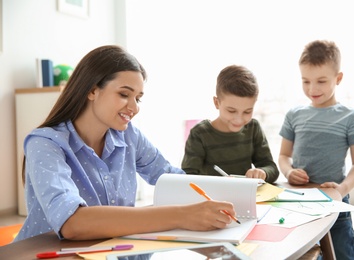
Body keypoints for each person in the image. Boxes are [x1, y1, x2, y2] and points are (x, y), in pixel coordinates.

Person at [14, 45, 238, 242]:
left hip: (113, 249)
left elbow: (170, 178)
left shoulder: (129, 136)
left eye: (138, 98)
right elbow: (72, 223)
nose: (135, 107)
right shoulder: (45, 143)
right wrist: (183, 215)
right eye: (124, 94)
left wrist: (231, 188)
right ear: (92, 90)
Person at [278, 40, 354, 260]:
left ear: (338, 79)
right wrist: (289, 172)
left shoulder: (350, 116)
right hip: (300, 198)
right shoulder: (294, 115)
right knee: (304, 253)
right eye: (305, 81)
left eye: (321, 81)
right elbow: (283, 156)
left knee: (345, 258)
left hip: (335, 199)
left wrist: (342, 188)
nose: (312, 89)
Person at [181, 65, 279, 183]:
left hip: (246, 197)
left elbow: (271, 168)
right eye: (231, 111)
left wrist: (262, 172)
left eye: (247, 111)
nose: (239, 119)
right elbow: (187, 177)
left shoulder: (253, 128)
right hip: (211, 198)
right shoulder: (200, 134)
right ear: (217, 103)